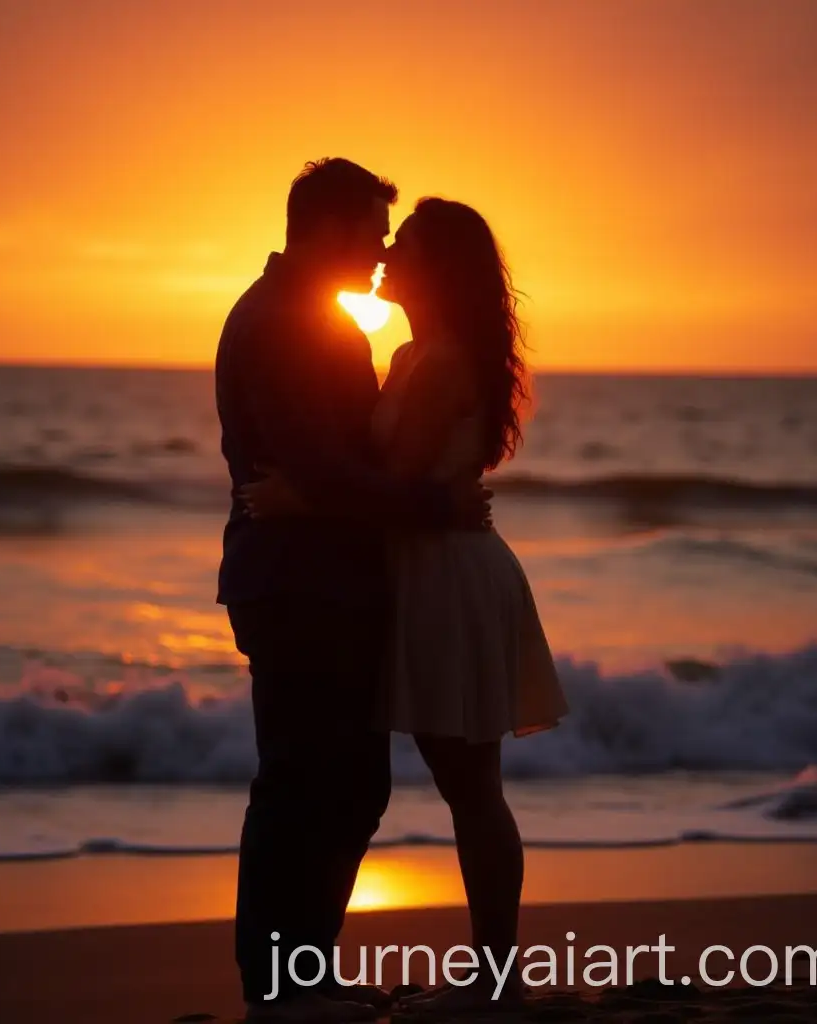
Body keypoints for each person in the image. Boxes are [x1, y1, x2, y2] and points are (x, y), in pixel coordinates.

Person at [244, 197, 569, 1014]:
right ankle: (491, 975)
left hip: (449, 580)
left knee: (471, 785)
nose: (387, 253)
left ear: (440, 268)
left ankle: (496, 979)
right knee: (463, 781)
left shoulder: (444, 362)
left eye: (408, 244)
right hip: (426, 574)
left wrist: (299, 501)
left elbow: (400, 489)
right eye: (385, 238)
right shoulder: (414, 354)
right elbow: (400, 488)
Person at [215, 160, 491, 1022]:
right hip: (297, 587)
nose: (379, 250)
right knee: (302, 782)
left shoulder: (317, 321)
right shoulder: (282, 323)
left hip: (328, 585)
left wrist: (366, 493)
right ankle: (279, 989)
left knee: (344, 784)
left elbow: (344, 469)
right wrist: (436, 502)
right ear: (329, 229)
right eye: (373, 230)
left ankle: (305, 975)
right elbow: (329, 471)